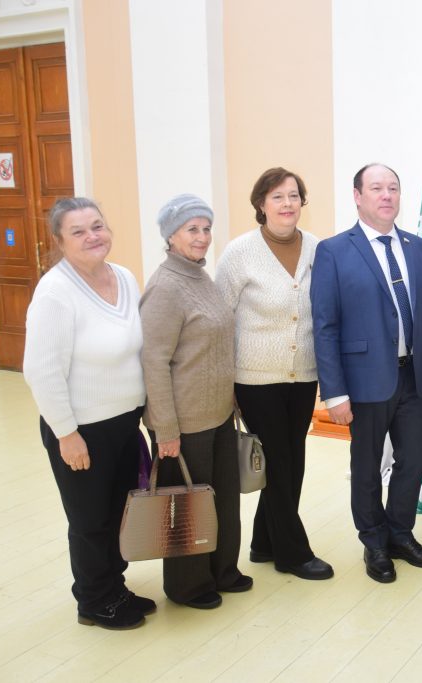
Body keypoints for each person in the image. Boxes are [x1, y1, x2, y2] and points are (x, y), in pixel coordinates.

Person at [310, 163, 422, 583]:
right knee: (367, 467)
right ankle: (374, 543)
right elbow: (325, 326)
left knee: (414, 460)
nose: (386, 195)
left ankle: (400, 534)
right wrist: (335, 393)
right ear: (357, 196)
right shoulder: (334, 250)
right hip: (364, 381)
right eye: (376, 188)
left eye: (393, 188)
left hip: (414, 379)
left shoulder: (418, 248)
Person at [24, 197, 153, 630]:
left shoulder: (125, 278)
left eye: (97, 226)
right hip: (81, 429)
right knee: (89, 520)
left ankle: (115, 588)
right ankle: (94, 601)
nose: (92, 236)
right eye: (78, 232)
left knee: (118, 512)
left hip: (123, 423)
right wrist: (67, 433)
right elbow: (41, 371)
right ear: (59, 242)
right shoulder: (55, 292)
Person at [216, 168, 333, 580]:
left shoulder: (318, 249)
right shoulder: (239, 252)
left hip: (303, 375)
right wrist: (225, 382)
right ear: (261, 204)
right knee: (282, 463)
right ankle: (292, 553)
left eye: (293, 196)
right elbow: (220, 320)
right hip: (254, 379)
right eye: (277, 196)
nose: (287, 204)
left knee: (292, 458)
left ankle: (264, 541)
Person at [140, 194, 252, 610]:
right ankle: (187, 586)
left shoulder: (200, 276)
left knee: (223, 500)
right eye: (192, 229)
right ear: (171, 236)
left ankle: (222, 571)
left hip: (217, 415)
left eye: (206, 228)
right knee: (188, 507)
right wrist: (165, 430)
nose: (202, 237)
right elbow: (153, 361)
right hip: (184, 423)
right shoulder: (165, 287)